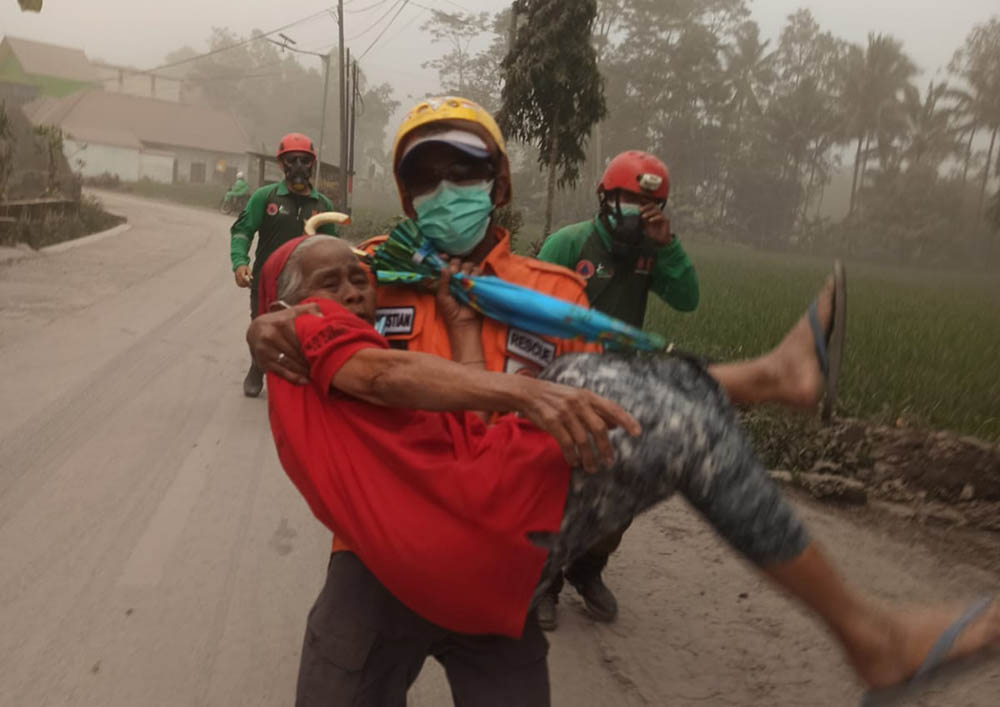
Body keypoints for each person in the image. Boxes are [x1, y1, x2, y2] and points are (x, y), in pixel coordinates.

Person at [247, 96, 846, 705]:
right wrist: (265, 326)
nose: (444, 188)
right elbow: (303, 318)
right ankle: (765, 379)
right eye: (424, 177)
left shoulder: (554, 294)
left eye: (464, 171)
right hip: (374, 556)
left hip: (497, 561)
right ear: (405, 197)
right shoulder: (367, 274)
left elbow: (592, 422)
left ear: (498, 182)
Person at [259, 231, 999, 707]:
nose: (355, 287)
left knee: (655, 396)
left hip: (472, 541)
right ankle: (871, 634)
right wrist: (530, 388)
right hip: (469, 529)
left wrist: (461, 328)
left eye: (359, 275)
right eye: (333, 280)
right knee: (667, 421)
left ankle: (777, 377)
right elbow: (382, 375)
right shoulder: (309, 333)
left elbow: (465, 425)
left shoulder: (485, 297)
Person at [535, 149, 698, 629]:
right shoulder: (570, 244)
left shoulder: (652, 254)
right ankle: (543, 580)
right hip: (566, 377)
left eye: (647, 203)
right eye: (626, 199)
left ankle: (588, 569)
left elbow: (688, 299)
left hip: (624, 386)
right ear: (604, 198)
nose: (636, 210)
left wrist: (667, 248)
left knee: (621, 483)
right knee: (556, 484)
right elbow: (531, 311)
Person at [229, 132, 338, 398]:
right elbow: (243, 231)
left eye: (304, 160)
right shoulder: (265, 198)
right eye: (292, 160)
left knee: (304, 333)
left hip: (306, 284)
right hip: (267, 280)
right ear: (282, 164)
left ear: (312, 164)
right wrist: (240, 263)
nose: (298, 166)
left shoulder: (323, 206)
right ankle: (258, 368)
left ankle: (297, 379)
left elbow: (333, 247)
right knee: (263, 327)